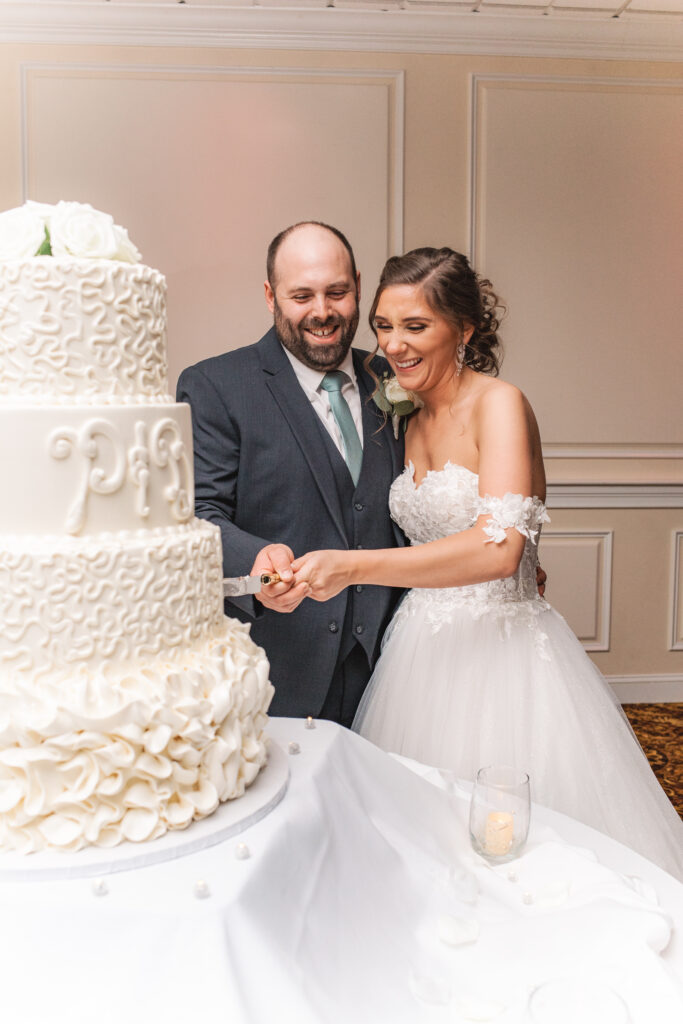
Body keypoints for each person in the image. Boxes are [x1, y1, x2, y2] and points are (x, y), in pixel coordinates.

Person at [293, 246, 683, 878]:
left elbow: (502, 547)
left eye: (416, 327)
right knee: (424, 844)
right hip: (419, 648)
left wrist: (351, 566)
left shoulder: (500, 402)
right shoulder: (403, 413)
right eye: (384, 327)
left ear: (465, 329)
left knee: (519, 848)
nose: (394, 345)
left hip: (503, 654)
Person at [176, 222, 405, 725]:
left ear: (359, 288)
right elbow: (197, 512)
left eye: (337, 292)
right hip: (280, 668)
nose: (321, 312)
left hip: (395, 672)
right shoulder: (215, 385)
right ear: (270, 296)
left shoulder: (395, 378)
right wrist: (255, 559)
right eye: (302, 295)